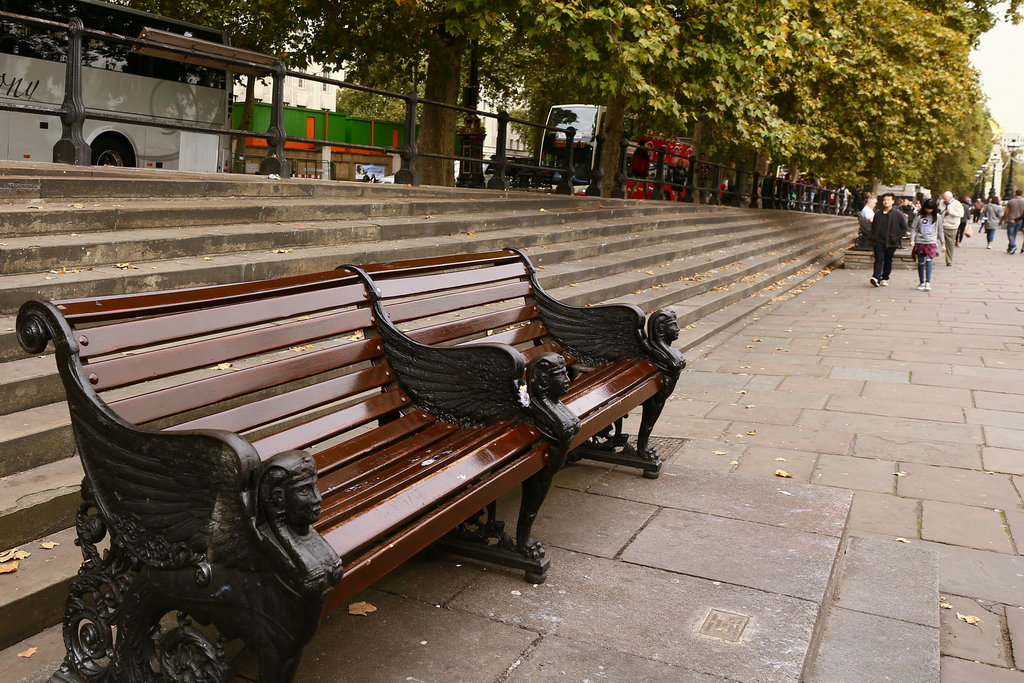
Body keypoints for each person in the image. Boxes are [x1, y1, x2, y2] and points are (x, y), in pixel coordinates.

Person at [869, 193, 907, 287]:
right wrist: (873, 237)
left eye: (888, 200)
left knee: (888, 260)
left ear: (893, 201)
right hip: (878, 241)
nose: (886, 202)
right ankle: (876, 277)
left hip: (891, 242)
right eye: (884, 200)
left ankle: (885, 277)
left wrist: (897, 238)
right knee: (879, 259)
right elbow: (873, 226)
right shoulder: (878, 213)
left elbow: (904, 227)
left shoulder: (898, 214)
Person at [909, 198, 944, 291]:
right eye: (927, 208)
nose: (928, 211)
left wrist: (943, 243)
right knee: (920, 263)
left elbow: (940, 230)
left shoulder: (937, 216)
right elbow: (914, 228)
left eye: (931, 209)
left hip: (931, 241)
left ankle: (928, 282)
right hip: (920, 241)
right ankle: (921, 282)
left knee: (929, 261)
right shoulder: (919, 216)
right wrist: (912, 239)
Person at [939, 191, 963, 265]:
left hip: (951, 226)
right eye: (943, 198)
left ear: (950, 197)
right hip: (941, 225)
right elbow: (939, 210)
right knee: (933, 240)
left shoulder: (957, 204)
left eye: (945, 199)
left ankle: (949, 260)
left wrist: (951, 212)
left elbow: (961, 214)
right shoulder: (942, 202)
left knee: (950, 244)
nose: (944, 200)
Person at [1004, 189, 1024, 254]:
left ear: (1015, 193)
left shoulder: (1011, 201)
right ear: (1022, 194)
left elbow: (1007, 211)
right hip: (1020, 220)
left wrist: (1006, 218)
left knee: (1010, 234)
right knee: (1014, 234)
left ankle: (1013, 246)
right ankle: (1010, 248)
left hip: (1011, 219)